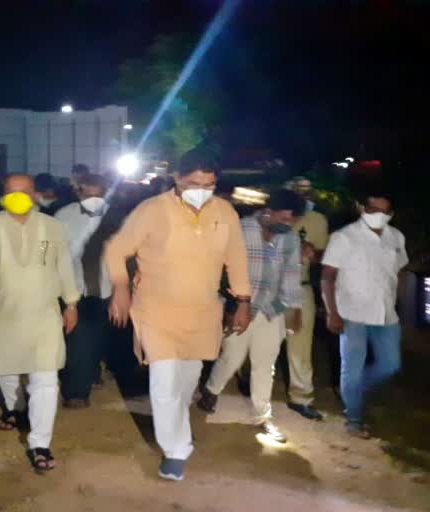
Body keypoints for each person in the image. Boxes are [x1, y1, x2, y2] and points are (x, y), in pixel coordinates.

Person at [104, 150, 251, 481]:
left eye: (209, 185)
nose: (201, 190)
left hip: (202, 313)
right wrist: (121, 287)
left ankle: (177, 428)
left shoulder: (224, 211)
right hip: (156, 310)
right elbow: (117, 249)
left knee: (187, 380)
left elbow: (237, 257)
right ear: (177, 179)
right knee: (165, 380)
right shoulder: (152, 210)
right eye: (194, 183)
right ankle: (175, 450)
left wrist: (243, 300)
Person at [0, 173, 80, 473]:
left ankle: (40, 443)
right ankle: (14, 407)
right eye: (12, 192)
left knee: (46, 380)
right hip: (2, 316)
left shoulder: (52, 228)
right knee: (6, 370)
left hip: (44, 316)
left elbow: (63, 265)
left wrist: (71, 303)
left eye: (24, 192)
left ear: (35, 194)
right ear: (3, 195)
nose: (18, 197)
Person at [198, 190, 305, 444]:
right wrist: (226, 306)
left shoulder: (289, 239)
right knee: (232, 357)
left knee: (264, 365)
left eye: (292, 221)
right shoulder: (239, 229)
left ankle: (262, 416)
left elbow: (291, 275)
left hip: (271, 309)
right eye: (285, 218)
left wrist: (294, 310)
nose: (288, 225)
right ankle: (211, 391)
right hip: (239, 307)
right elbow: (217, 268)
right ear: (270, 211)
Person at [321, 189, 407, 439]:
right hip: (351, 313)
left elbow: (399, 272)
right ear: (361, 209)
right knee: (352, 369)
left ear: (391, 214)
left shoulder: (396, 237)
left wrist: (398, 301)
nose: (378, 215)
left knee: (390, 365)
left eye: (384, 211)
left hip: (386, 314)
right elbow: (327, 277)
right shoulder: (344, 237)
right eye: (372, 210)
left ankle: (353, 391)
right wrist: (331, 313)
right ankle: (354, 418)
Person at [54, 173, 115, 408]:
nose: (93, 199)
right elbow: (45, 245)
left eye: (98, 194)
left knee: (97, 336)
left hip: (105, 289)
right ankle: (76, 393)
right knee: (78, 339)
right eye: (87, 194)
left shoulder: (116, 216)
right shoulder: (64, 216)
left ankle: (91, 371)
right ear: (78, 193)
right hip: (74, 288)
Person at [285, 178, 329, 420]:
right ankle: (248, 384)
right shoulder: (274, 215)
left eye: (307, 192)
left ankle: (300, 397)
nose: (304, 196)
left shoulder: (318, 220)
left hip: (300, 289)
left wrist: (314, 252)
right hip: (270, 289)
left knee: (300, 345)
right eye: (297, 191)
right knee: (258, 343)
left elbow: (325, 253)